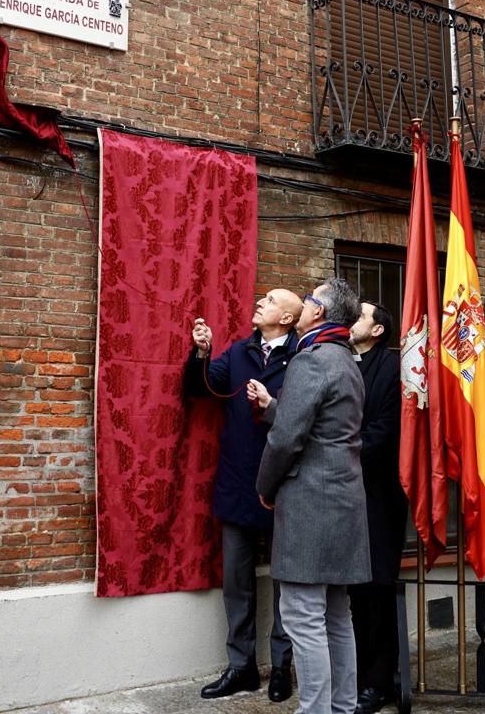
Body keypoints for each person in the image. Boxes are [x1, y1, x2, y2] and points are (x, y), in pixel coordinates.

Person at [253, 277, 370, 714]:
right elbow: (322, 425)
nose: (302, 303)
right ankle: (341, 708)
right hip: (344, 501)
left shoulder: (312, 360)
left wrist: (265, 487)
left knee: (303, 618)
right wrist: (273, 406)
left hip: (310, 504)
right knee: (337, 617)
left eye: (306, 299)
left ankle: (316, 710)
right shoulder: (345, 359)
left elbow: (286, 440)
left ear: (317, 312)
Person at [183, 288, 304, 701]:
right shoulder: (238, 352)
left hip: (285, 484)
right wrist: (202, 352)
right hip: (238, 483)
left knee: (287, 583)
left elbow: (305, 421)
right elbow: (200, 388)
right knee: (237, 582)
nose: (259, 302)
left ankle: (283, 666)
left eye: (270, 301)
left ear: (287, 319)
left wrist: (272, 403)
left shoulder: (304, 358)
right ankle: (242, 667)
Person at [347, 301, 404, 714]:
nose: (351, 322)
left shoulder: (393, 368)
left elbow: (386, 430)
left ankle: (379, 681)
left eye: (359, 316)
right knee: (352, 591)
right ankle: (357, 674)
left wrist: (338, 456)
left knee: (377, 590)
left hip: (379, 494)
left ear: (378, 330)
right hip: (343, 495)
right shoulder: (344, 361)